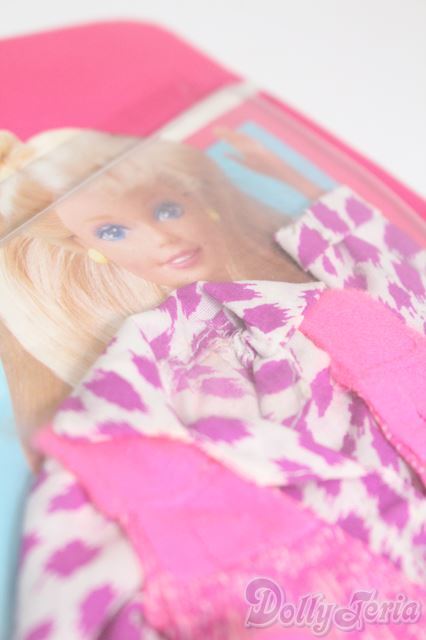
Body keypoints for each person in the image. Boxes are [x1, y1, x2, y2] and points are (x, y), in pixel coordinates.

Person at [0, 126, 325, 465]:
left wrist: (292, 177)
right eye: (112, 232)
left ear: (196, 199)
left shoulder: (301, 276)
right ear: (86, 248)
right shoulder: (159, 364)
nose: (161, 238)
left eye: (167, 210)